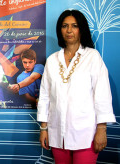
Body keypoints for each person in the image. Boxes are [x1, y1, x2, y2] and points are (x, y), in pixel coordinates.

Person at [37, 9, 116, 164]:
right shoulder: (52, 60)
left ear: (81, 29)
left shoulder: (92, 57)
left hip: (86, 134)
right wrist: (44, 128)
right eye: (65, 26)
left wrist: (102, 129)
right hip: (57, 133)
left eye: (74, 26)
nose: (69, 30)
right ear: (60, 30)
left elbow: (102, 95)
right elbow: (45, 96)